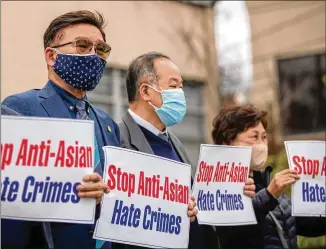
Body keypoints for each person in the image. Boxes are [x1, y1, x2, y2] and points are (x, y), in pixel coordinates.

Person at [2, 10, 119, 249]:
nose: (93, 56)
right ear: (51, 56)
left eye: (100, 49)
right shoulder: (19, 109)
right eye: (83, 45)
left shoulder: (107, 123)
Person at [117, 52, 256, 249]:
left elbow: (196, 204)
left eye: (181, 87)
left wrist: (233, 191)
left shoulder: (174, 142)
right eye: (173, 86)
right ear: (146, 91)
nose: (180, 94)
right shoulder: (116, 140)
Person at [211, 104, 326, 249]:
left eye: (264, 137)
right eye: (254, 136)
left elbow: (304, 225)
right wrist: (268, 196)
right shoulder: (216, 190)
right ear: (228, 142)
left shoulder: (267, 185)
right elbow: (231, 237)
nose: (262, 144)